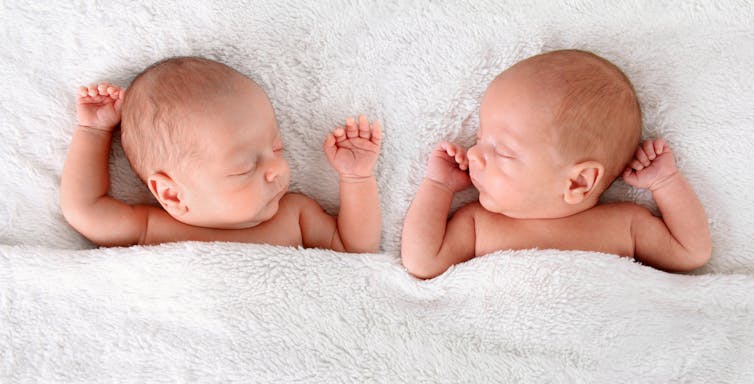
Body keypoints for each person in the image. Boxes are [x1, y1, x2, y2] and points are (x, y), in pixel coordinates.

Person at [401, 49, 711, 278]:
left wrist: (665, 183)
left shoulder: (626, 223)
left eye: (504, 152)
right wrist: (438, 187)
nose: (473, 154)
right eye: (481, 139)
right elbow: (422, 261)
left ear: (579, 182)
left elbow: (691, 253)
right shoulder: (477, 223)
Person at [62, 56, 381, 252]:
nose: (276, 169)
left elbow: (355, 246)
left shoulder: (295, 215)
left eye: (276, 148)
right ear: (172, 193)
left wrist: (356, 178)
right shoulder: (150, 228)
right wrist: (93, 132)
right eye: (244, 168)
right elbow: (85, 210)